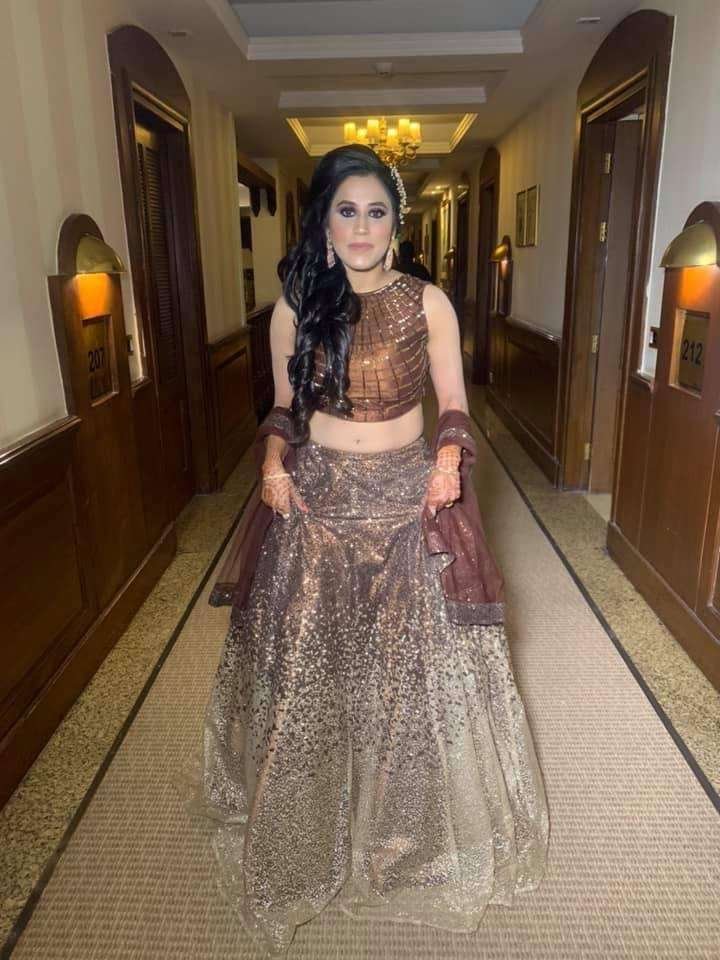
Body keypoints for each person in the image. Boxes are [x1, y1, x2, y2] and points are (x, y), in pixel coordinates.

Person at [180, 144, 549, 956]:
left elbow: (454, 405)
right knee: (311, 672)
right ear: (324, 220)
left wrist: (448, 459)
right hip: (317, 504)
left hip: (407, 502)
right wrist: (272, 461)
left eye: (376, 211)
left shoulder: (428, 303)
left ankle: (404, 837)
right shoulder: (294, 306)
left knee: (408, 677)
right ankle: (306, 828)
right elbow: (284, 411)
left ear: (396, 224)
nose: (360, 226)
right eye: (346, 210)